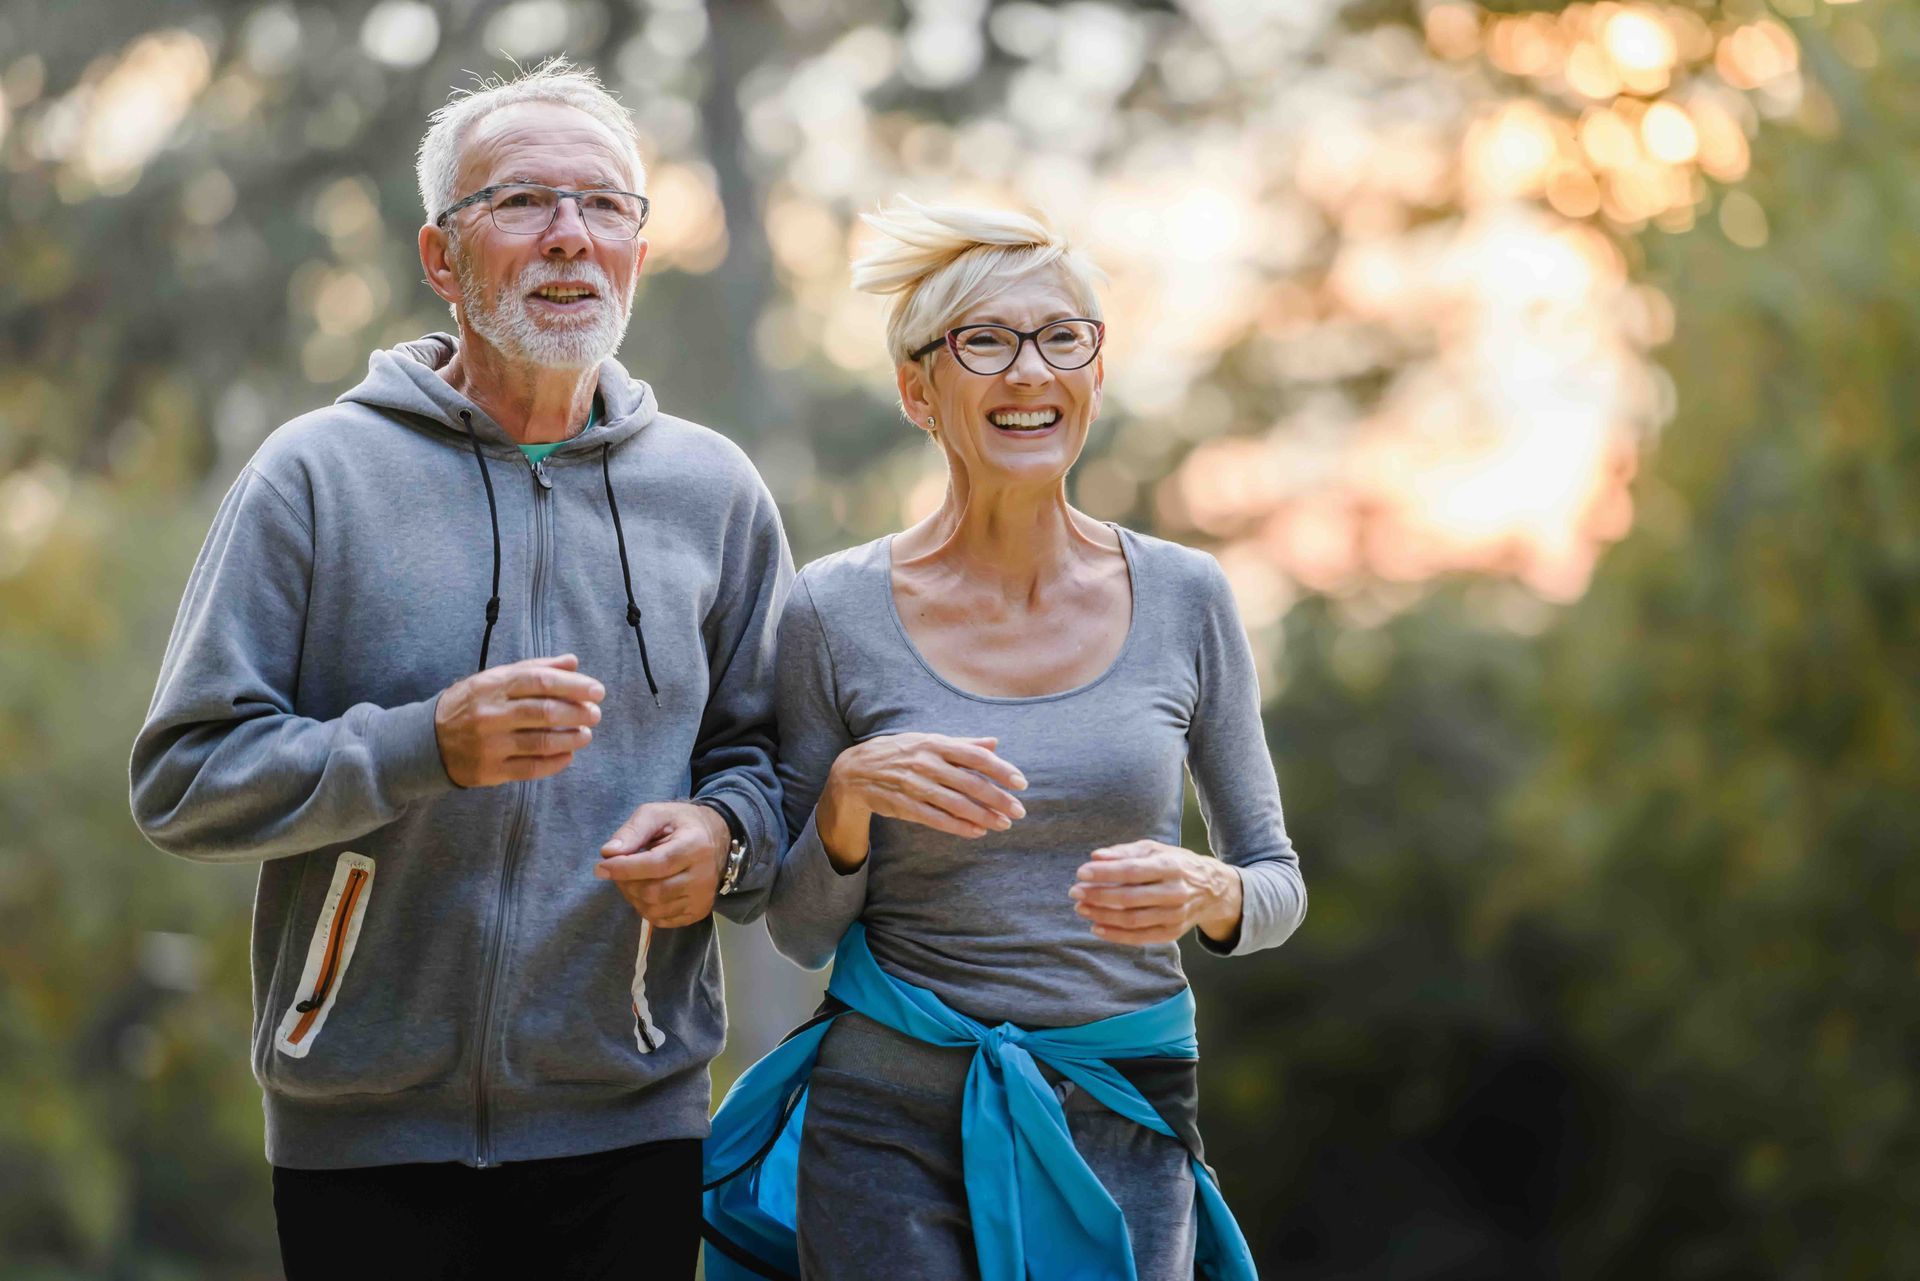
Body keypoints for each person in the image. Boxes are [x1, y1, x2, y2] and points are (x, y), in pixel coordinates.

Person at [129, 59, 790, 1281]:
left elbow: (774, 763)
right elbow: (182, 779)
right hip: (362, 1132)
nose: (569, 238)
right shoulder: (315, 475)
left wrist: (726, 840)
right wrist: (418, 746)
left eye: (604, 206)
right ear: (442, 257)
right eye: (523, 202)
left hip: (632, 1115)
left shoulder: (714, 492)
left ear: (641, 246)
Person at [700, 200, 1308, 1280]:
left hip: (1126, 1103)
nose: (1029, 372)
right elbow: (793, 928)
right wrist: (844, 800)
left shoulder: (1187, 596)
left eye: (1061, 336)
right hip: (887, 1117)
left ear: (1096, 373)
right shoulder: (831, 612)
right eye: (984, 342)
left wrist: (1212, 893)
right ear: (917, 390)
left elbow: (1276, 882)